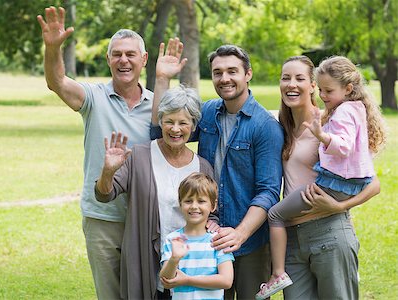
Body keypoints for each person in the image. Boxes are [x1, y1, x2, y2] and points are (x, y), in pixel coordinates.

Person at [37, 6, 153, 299]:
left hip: (148, 217)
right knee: (110, 295)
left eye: (130, 54)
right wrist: (53, 48)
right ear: (108, 59)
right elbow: (57, 82)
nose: (123, 60)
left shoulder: (158, 105)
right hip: (103, 217)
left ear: (144, 60)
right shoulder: (93, 97)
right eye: (117, 54)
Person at [152, 41, 284, 299]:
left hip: (249, 244)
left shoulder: (265, 126)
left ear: (248, 74)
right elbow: (164, 128)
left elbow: (268, 191)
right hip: (206, 238)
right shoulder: (209, 112)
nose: (225, 78)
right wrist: (161, 80)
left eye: (232, 71)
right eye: (217, 73)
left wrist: (240, 233)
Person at [256, 55, 383, 299]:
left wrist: (340, 205)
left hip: (328, 231)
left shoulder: (330, 124)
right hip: (291, 238)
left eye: (300, 78)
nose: (291, 84)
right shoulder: (278, 126)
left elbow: (373, 183)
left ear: (313, 85)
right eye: (285, 78)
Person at [95, 85, 219, 299]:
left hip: (191, 268)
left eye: (183, 123)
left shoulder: (203, 166)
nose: (175, 129)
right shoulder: (140, 156)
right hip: (145, 260)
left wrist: (214, 223)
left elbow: (211, 214)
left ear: (193, 126)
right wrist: (107, 171)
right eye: (169, 121)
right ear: (160, 122)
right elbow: (105, 194)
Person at [160, 172, 234, 299]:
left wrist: (188, 280)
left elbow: (226, 281)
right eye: (188, 201)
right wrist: (174, 259)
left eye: (201, 201)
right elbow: (166, 281)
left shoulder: (218, 240)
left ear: (213, 205)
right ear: (180, 203)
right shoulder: (173, 239)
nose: (194, 206)